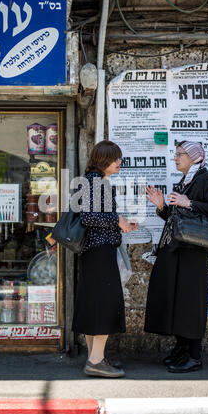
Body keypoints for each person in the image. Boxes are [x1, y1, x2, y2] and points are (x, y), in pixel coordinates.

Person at [145, 141, 208, 373]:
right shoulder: (185, 181)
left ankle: (194, 356)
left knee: (192, 303)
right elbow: (180, 221)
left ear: (194, 157)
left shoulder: (206, 178)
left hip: (195, 253)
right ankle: (182, 349)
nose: (176, 158)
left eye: (180, 154)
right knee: (179, 302)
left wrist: (187, 201)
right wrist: (162, 207)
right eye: (176, 154)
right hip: (180, 250)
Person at [72, 140, 138, 378]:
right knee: (104, 305)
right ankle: (96, 361)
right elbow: (89, 218)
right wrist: (118, 221)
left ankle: (94, 358)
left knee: (94, 305)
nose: (119, 162)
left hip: (93, 253)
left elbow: (96, 217)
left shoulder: (92, 181)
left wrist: (121, 224)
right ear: (103, 160)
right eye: (115, 158)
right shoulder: (96, 183)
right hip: (99, 253)